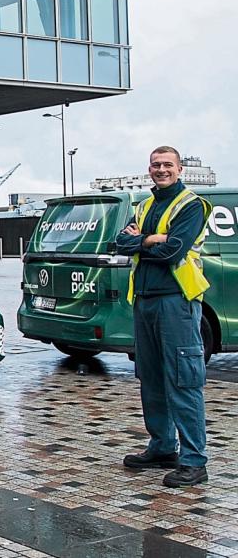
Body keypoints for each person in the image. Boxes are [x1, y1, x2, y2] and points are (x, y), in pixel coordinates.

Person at [116, 146, 211, 488]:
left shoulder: (191, 205)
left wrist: (142, 241)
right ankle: (161, 447)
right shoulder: (144, 205)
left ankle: (194, 460)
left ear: (180, 168)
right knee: (152, 378)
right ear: (149, 168)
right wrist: (152, 238)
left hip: (176, 302)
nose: (161, 169)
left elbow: (174, 250)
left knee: (183, 380)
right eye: (156, 164)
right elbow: (119, 243)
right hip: (145, 300)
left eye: (167, 164)